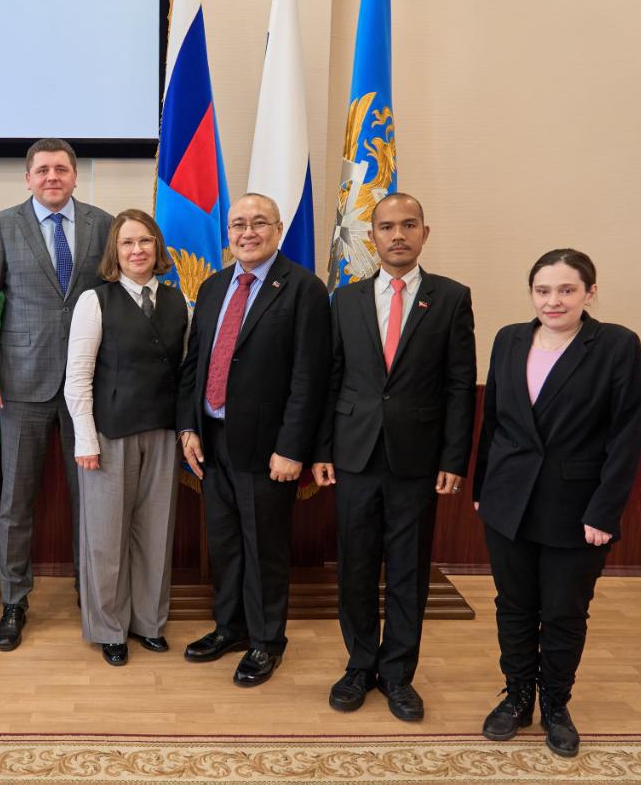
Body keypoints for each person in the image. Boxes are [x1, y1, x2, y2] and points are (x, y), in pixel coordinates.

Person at [473, 248, 641, 758]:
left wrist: (605, 510)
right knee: (513, 606)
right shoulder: (509, 339)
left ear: (589, 293)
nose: (554, 300)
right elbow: (494, 421)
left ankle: (555, 704)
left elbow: (627, 437)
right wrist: (483, 487)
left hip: (577, 507)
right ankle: (516, 698)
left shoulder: (616, 345)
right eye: (543, 290)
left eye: (567, 290)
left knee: (564, 612)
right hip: (508, 501)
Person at [312, 193, 476, 721]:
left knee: (408, 570)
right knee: (355, 568)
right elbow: (331, 377)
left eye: (408, 225)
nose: (398, 235)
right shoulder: (346, 299)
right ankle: (360, 666)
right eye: (387, 227)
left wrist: (454, 459)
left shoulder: (451, 298)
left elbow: (459, 385)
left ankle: (398, 674)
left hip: (418, 460)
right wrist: (322, 448)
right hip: (354, 454)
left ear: (425, 233)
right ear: (372, 237)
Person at [177, 192, 330, 687]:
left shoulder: (303, 288)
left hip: (269, 448)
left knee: (264, 548)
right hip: (213, 439)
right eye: (238, 224)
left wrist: (292, 448)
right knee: (224, 543)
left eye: (259, 222)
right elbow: (195, 363)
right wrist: (188, 427)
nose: (248, 232)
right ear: (228, 233)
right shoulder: (213, 286)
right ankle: (231, 627)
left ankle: (267, 641)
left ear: (278, 229)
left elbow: (310, 376)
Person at [0, 138, 114, 652]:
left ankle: (93, 595)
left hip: (89, 386)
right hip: (21, 385)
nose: (53, 177)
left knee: (89, 498)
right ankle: (14, 600)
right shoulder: (2, 225)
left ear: (74, 176)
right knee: (16, 500)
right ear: (28, 178)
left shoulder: (103, 224)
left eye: (61, 169)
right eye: (43, 169)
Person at [64, 209, 189, 666]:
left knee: (155, 533)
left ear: (158, 247)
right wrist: (85, 439)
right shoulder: (95, 300)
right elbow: (78, 376)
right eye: (127, 243)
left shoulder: (178, 301)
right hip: (109, 434)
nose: (138, 250)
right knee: (106, 536)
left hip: (163, 432)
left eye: (146, 241)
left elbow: (186, 371)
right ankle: (109, 628)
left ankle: (149, 622)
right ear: (114, 252)